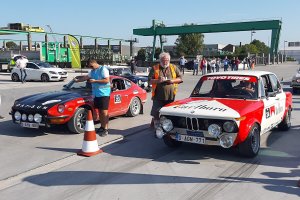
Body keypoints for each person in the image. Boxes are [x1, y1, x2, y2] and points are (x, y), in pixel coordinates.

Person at [74, 59, 111, 136]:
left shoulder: (103, 69)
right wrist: (78, 80)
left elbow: (107, 80)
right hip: (96, 94)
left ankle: (106, 129)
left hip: (104, 94)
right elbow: (86, 77)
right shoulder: (93, 71)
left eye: (91, 66)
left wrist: (95, 81)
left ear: (93, 63)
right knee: (100, 112)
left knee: (104, 112)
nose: (90, 68)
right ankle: (102, 127)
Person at [148, 52, 182, 131]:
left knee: (168, 113)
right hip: (157, 96)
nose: (165, 62)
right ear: (160, 60)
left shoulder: (173, 67)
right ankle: (157, 130)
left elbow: (180, 78)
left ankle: (167, 128)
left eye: (167, 60)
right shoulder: (155, 68)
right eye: (163, 60)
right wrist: (158, 80)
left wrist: (172, 81)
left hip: (170, 96)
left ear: (169, 60)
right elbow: (149, 80)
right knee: (156, 113)